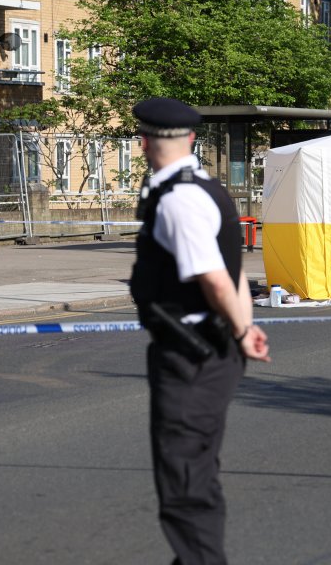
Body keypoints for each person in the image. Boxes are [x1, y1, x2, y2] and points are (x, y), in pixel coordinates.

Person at [129, 97, 270, 565]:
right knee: (197, 471)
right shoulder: (210, 188)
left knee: (185, 481)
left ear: (145, 142)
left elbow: (212, 278)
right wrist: (244, 328)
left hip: (191, 354)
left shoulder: (179, 200)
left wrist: (238, 326)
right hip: (213, 348)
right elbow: (236, 273)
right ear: (191, 140)